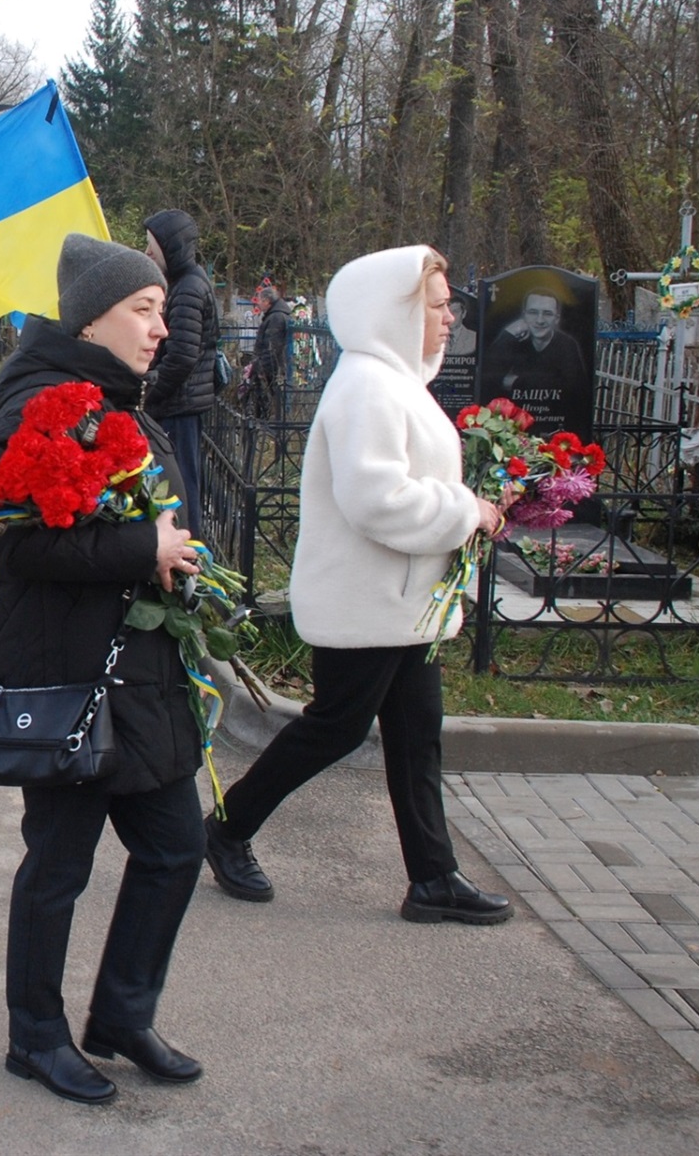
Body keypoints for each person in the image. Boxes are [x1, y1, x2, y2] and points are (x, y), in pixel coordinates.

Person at [204, 245, 515, 927]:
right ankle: (226, 827)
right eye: (436, 307)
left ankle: (433, 876)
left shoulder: (394, 380)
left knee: (415, 735)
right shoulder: (369, 386)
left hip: (400, 605)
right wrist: (468, 512)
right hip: (366, 603)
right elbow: (377, 498)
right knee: (334, 729)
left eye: (446, 306)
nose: (448, 319)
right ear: (395, 311)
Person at [0, 233, 208, 1106]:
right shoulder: (39, 401)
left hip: (139, 668)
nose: (161, 329)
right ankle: (33, 1036)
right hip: (71, 671)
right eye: (143, 311)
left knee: (176, 845)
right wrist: (140, 545)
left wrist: (166, 550)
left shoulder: (119, 394)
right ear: (91, 320)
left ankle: (120, 1013)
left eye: (159, 309)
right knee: (60, 863)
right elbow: (25, 539)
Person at [141, 209, 220, 527]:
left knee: (182, 486)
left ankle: (192, 555)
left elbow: (181, 357)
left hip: (179, 405)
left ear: (171, 247)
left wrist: (149, 394)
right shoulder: (184, 282)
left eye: (152, 246)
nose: (147, 252)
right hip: (180, 402)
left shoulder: (188, 288)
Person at [482, 290, 586, 404]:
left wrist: (517, 383)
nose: (539, 320)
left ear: (557, 319)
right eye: (533, 312)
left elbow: (574, 389)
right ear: (524, 315)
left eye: (547, 313)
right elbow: (486, 379)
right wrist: (507, 335)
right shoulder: (512, 340)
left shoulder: (567, 345)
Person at [243, 282, 292, 420]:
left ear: (267, 301)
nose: (258, 304)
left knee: (271, 398)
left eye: (260, 300)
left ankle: (269, 423)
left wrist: (261, 368)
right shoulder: (275, 315)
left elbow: (272, 346)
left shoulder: (276, 318)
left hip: (271, 368)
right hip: (270, 366)